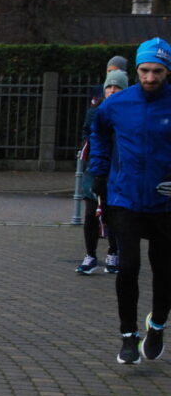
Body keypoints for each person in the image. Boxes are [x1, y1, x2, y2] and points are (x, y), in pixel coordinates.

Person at [89, 37, 171, 365]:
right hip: (125, 197)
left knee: (164, 269)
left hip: (165, 201)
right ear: (136, 69)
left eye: (157, 71)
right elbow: (98, 132)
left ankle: (158, 325)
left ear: (167, 72)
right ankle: (128, 335)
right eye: (144, 70)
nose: (150, 77)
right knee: (128, 267)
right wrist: (99, 172)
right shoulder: (117, 104)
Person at [76, 68, 127, 275]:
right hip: (96, 169)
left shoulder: (128, 114)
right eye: (109, 87)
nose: (112, 90)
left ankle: (113, 253)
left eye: (117, 87)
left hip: (117, 170)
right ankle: (90, 255)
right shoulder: (94, 112)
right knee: (90, 214)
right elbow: (87, 134)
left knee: (112, 213)